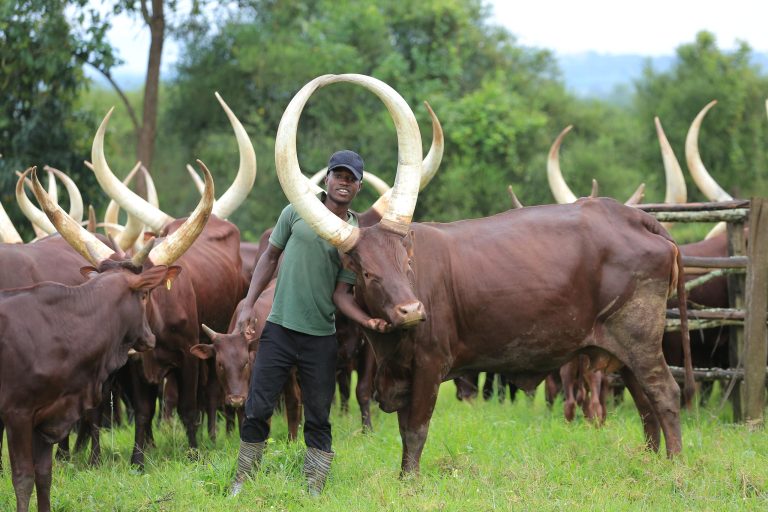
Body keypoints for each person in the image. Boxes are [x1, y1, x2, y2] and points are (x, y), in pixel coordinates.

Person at [231, 149, 390, 497]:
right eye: (338, 175)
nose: (343, 183)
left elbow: (341, 295)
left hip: (320, 338)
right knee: (257, 408)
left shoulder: (354, 235)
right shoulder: (296, 211)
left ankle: (314, 486)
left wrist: (368, 321)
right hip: (279, 329)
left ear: (359, 187)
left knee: (318, 416)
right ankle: (243, 480)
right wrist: (247, 304)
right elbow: (270, 256)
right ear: (327, 178)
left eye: (350, 179)